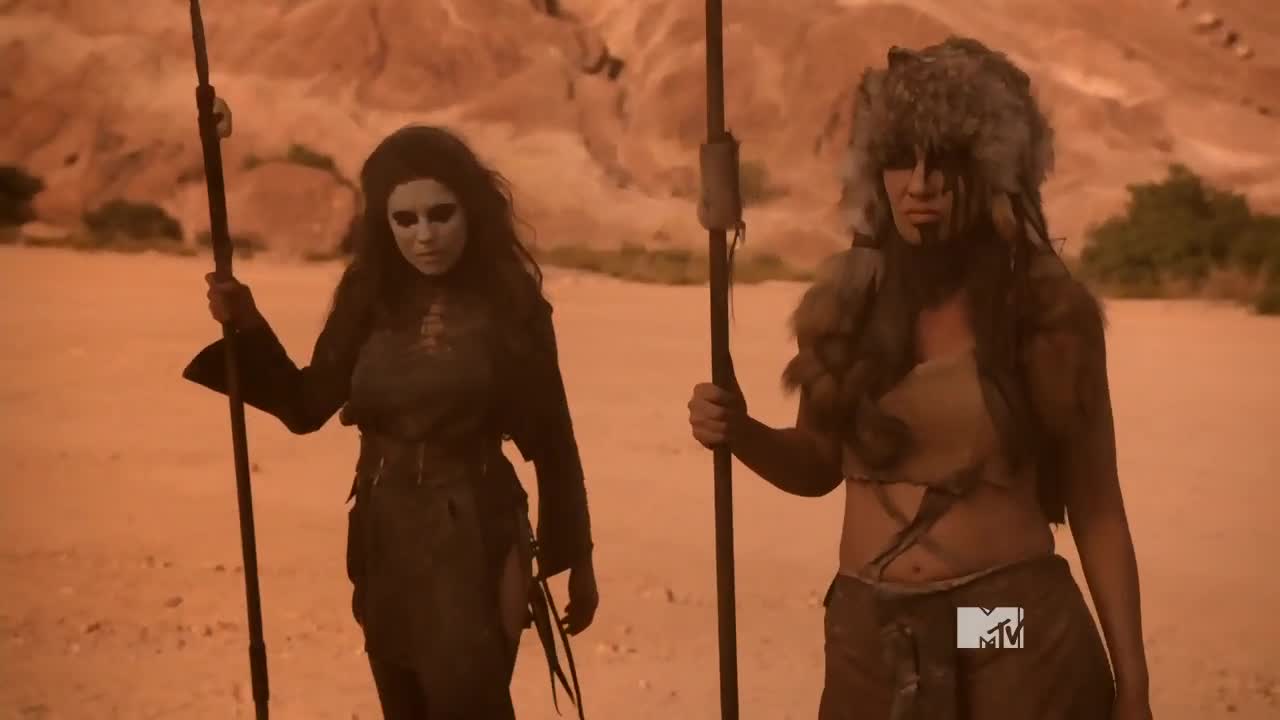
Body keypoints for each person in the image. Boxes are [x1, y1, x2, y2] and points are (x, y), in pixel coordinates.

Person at [686, 37, 1152, 720]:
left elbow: (1097, 504)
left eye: (947, 159)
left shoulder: (1045, 313)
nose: (921, 183)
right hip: (868, 635)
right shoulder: (845, 305)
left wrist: (1134, 687)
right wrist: (741, 432)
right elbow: (816, 464)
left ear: (991, 170)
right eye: (901, 158)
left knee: (977, 647)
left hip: (1004, 627)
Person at [184, 124, 598, 719]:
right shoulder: (367, 296)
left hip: (474, 533)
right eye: (405, 219)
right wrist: (247, 322)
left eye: (441, 214)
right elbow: (306, 405)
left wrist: (578, 560)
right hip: (384, 532)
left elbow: (553, 441)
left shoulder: (512, 304)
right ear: (384, 223)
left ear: (471, 210)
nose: (424, 235)